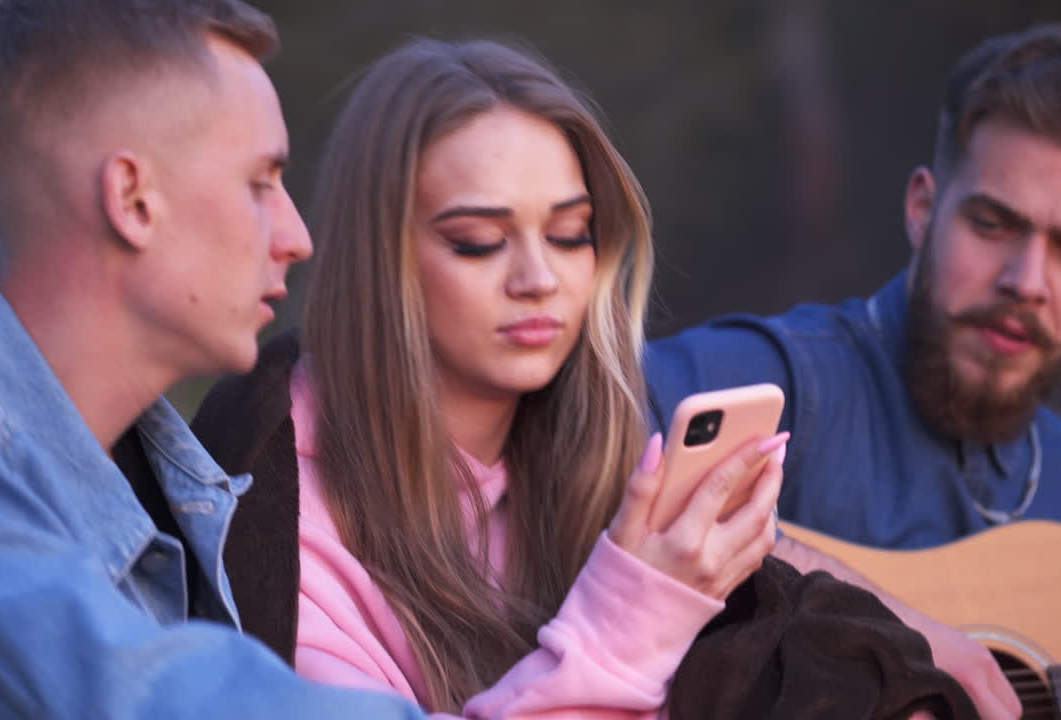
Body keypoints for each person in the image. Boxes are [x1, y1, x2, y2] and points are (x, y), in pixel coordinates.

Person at [191, 37, 787, 718]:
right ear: (380, 261)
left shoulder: (605, 454)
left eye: (570, 234)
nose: (539, 281)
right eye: (478, 241)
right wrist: (637, 612)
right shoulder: (273, 510)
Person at [645, 22, 1061, 719]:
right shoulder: (778, 381)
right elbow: (576, 457)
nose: (1026, 280)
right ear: (922, 208)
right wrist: (901, 635)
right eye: (994, 224)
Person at [0, 1, 447, 717]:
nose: (297, 236)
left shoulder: (182, 488)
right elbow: (151, 693)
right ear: (132, 198)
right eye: (260, 183)